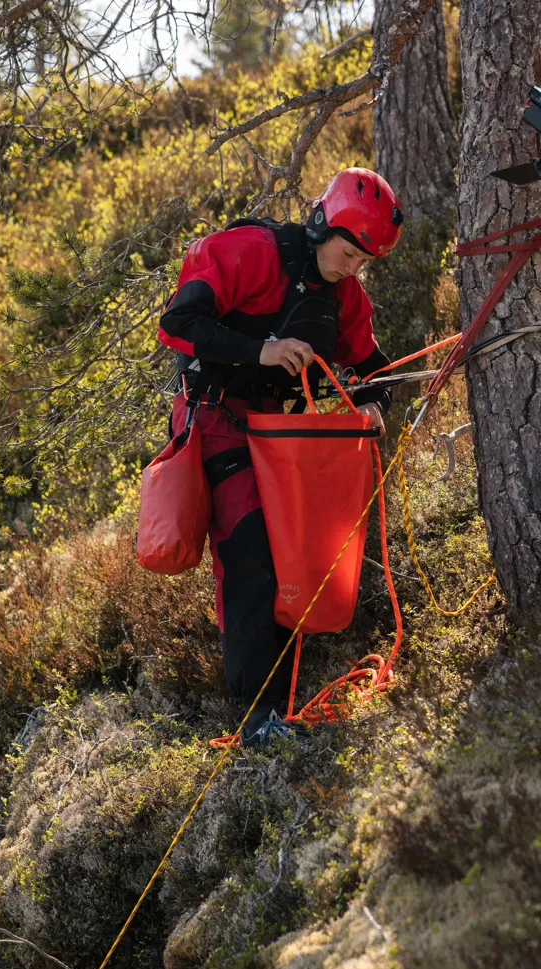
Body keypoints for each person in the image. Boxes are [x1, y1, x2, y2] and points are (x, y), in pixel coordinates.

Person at [157, 167, 403, 748]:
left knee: (293, 560)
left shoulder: (346, 296)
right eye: (349, 253)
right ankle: (254, 720)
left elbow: (375, 368)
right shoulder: (249, 253)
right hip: (217, 420)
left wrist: (372, 404)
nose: (352, 269)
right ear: (323, 225)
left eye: (364, 262)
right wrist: (261, 350)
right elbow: (177, 323)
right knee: (251, 555)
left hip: (282, 437)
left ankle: (279, 710)